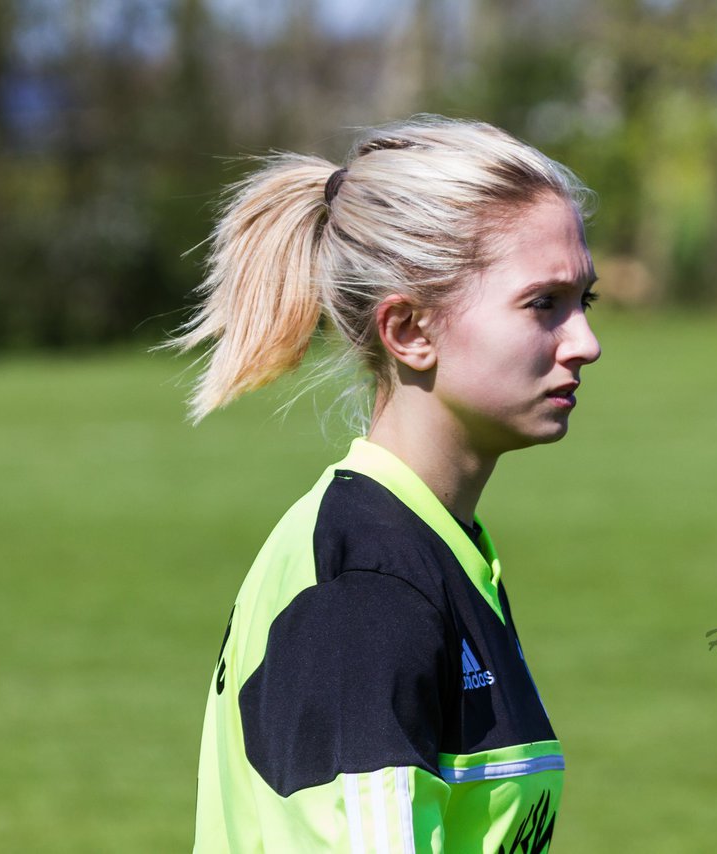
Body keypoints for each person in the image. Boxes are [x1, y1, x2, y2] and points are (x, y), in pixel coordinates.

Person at [173, 117, 601, 853]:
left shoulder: (431, 549)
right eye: (543, 305)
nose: (585, 343)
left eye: (583, 302)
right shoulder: (370, 587)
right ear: (409, 330)